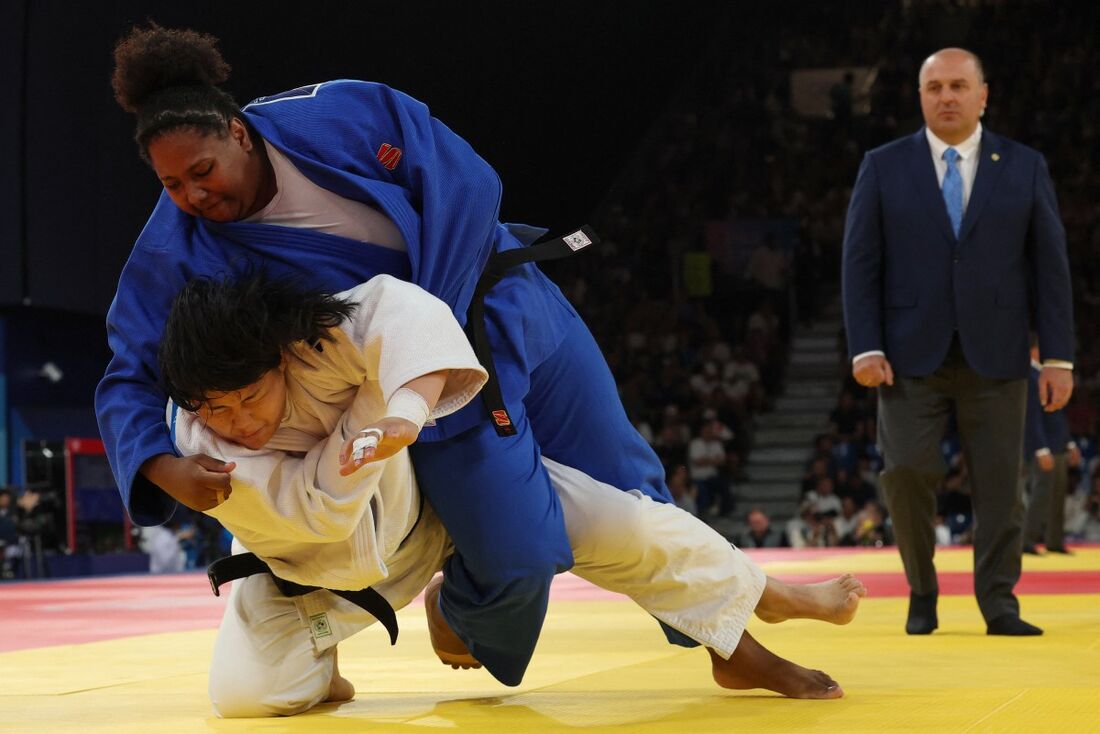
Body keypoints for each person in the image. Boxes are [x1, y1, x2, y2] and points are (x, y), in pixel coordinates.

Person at [96, 24, 672, 685]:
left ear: (238, 133)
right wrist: (158, 462)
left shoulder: (335, 114)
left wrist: (432, 319)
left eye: (201, 172)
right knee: (521, 559)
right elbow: (127, 375)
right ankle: (463, 608)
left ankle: (729, 637)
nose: (193, 198)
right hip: (425, 394)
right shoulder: (173, 252)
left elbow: (466, 182)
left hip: (505, 301)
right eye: (171, 185)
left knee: (636, 487)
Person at [160, 272, 865, 716]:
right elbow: (322, 514)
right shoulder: (206, 454)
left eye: (250, 397)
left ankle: (769, 596)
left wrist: (404, 412)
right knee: (245, 697)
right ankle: (325, 673)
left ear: (282, 355)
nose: (240, 424)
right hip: (336, 569)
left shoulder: (323, 336)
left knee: (632, 528)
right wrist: (368, 417)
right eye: (215, 411)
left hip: (443, 491)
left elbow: (411, 314)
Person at [842, 48, 1074, 636]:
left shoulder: (1023, 166)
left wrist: (1058, 356)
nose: (947, 96)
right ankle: (922, 592)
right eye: (934, 86)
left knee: (1003, 487)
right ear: (920, 96)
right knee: (906, 473)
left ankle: (999, 603)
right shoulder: (883, 165)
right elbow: (859, 264)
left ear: (983, 94)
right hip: (905, 355)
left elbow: (1051, 270)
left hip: (998, 355)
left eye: (958, 85)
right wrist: (864, 346)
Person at [1022, 340, 1080, 554]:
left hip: (1057, 442)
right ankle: (1026, 541)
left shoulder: (1047, 375)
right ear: (1036, 349)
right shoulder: (1028, 375)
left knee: (1057, 494)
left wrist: (1069, 442)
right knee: (1042, 493)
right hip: (1044, 445)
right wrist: (1040, 448)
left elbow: (1056, 414)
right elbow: (1031, 417)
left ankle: (1054, 540)